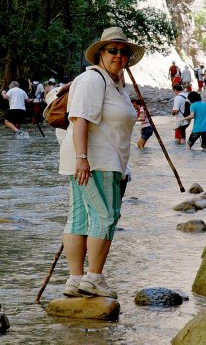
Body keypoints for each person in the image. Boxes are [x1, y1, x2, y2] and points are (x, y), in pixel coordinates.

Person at [59, 26, 144, 299]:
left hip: (102, 159)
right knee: (105, 217)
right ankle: (93, 277)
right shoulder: (93, 80)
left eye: (124, 52)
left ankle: (75, 280)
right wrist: (83, 159)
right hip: (95, 159)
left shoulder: (113, 83)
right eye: (113, 50)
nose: (119, 56)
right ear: (100, 54)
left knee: (81, 218)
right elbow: (79, 119)